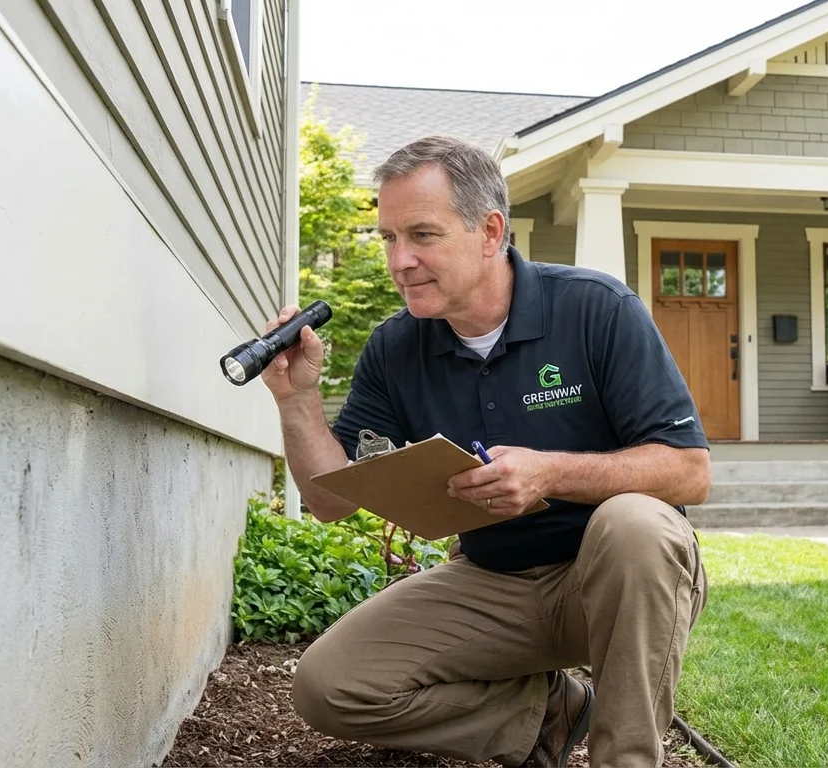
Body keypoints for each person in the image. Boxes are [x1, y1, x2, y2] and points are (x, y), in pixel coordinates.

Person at [260, 134, 710, 768]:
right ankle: (550, 717)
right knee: (329, 686)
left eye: (422, 235)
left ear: (491, 230)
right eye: (389, 238)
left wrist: (548, 471)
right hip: (493, 581)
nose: (400, 260)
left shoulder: (596, 309)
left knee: (636, 522)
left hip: (615, 582)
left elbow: (689, 471)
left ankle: (626, 759)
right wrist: (297, 399)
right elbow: (329, 502)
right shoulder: (397, 347)